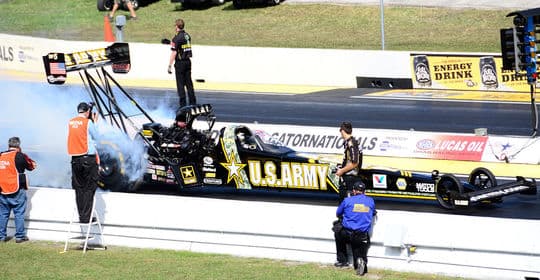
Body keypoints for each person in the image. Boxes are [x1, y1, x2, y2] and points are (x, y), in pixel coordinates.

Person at [333, 181, 376, 276]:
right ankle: (360, 263)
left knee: (337, 232)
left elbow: (338, 213)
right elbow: (373, 213)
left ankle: (342, 261)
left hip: (347, 233)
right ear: (364, 191)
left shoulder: (347, 200)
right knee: (359, 250)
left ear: (354, 191)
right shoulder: (370, 201)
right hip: (362, 235)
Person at [67, 102, 99, 224]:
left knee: (79, 188)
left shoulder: (71, 122)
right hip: (87, 158)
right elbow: (96, 136)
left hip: (75, 159)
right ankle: (87, 217)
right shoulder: (88, 122)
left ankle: (82, 216)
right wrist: (95, 122)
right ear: (88, 112)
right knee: (90, 187)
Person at [0, 137, 36, 243]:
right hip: (17, 189)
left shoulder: (1, 155)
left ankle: (1, 236)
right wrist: (22, 154)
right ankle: (20, 236)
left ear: (8, 145)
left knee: (3, 214)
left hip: (2, 189)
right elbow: (32, 166)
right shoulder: (20, 156)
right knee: (19, 213)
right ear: (19, 146)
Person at [168, 18, 196, 108]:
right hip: (188, 61)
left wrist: (169, 65)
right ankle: (193, 103)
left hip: (180, 63)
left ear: (177, 26)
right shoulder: (187, 35)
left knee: (180, 85)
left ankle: (183, 106)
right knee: (189, 84)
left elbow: (174, 52)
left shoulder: (177, 38)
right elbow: (181, 45)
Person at [335, 121, 362, 203]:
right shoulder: (351, 142)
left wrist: (342, 171)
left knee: (346, 203)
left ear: (342, 131)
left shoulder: (351, 143)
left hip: (350, 177)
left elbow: (355, 162)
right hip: (350, 176)